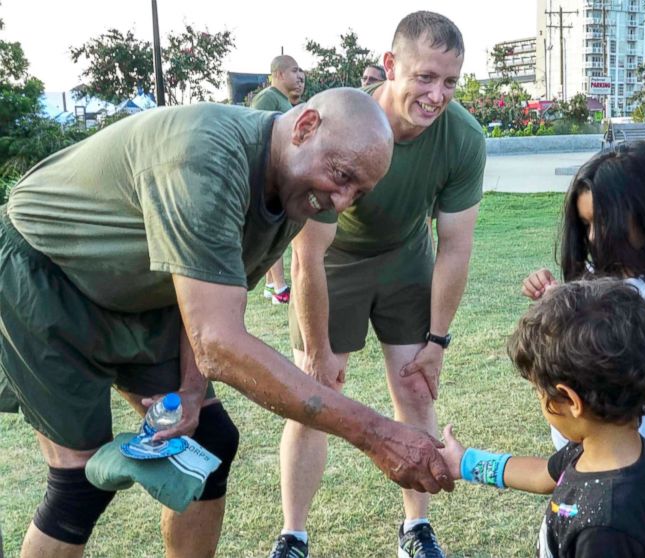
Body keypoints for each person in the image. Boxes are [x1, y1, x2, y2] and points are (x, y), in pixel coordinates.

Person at [0, 88, 456, 558]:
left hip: (140, 289)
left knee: (211, 441)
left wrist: (192, 392)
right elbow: (218, 343)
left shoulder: (294, 197)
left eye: (357, 192)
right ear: (304, 127)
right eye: (341, 176)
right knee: (79, 485)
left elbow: (208, 303)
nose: (340, 202)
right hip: (42, 273)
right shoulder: (205, 158)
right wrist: (375, 432)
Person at [271, 11, 485, 558]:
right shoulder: (348, 120)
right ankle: (293, 534)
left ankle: (416, 529)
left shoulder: (461, 138)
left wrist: (437, 343)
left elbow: (455, 246)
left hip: (405, 258)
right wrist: (318, 351)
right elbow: (306, 253)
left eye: (450, 82)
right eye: (425, 77)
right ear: (390, 67)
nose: (437, 96)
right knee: (315, 395)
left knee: (414, 387)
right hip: (334, 260)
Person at [440, 278, 645, 558]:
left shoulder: (606, 529)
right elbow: (541, 475)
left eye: (539, 390)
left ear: (571, 401)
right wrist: (466, 462)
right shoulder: (600, 450)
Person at [520, 141, 645, 451]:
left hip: (616, 452)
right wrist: (553, 302)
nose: (593, 237)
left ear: (644, 214)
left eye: (602, 222)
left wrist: (568, 316)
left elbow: (619, 378)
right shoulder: (594, 271)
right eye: (586, 224)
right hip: (573, 449)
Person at [252, 54, 306, 305]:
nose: (299, 76)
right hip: (270, 180)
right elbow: (261, 138)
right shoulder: (267, 99)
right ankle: (280, 289)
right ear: (280, 74)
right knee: (274, 234)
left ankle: (272, 284)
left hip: (285, 178)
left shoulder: (285, 101)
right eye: (295, 71)